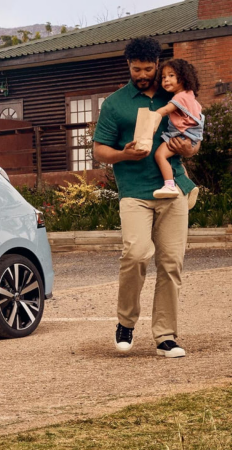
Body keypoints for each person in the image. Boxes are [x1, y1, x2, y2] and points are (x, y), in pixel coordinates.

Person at [92, 37, 199, 358]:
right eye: (136, 69)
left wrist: (188, 149)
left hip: (172, 188)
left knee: (170, 263)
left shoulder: (175, 95)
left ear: (157, 64)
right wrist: (123, 154)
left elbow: (194, 138)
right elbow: (99, 151)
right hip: (135, 193)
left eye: (148, 69)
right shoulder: (115, 103)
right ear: (128, 66)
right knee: (136, 255)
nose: (143, 74)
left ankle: (165, 335)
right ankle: (126, 322)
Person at [152, 59, 204, 199]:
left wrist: (151, 119)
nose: (166, 80)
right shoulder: (189, 95)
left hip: (182, 135)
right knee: (177, 162)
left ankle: (169, 186)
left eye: (171, 76)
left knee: (160, 155)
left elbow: (165, 110)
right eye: (163, 77)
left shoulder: (180, 97)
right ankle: (188, 188)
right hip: (191, 136)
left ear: (183, 77)